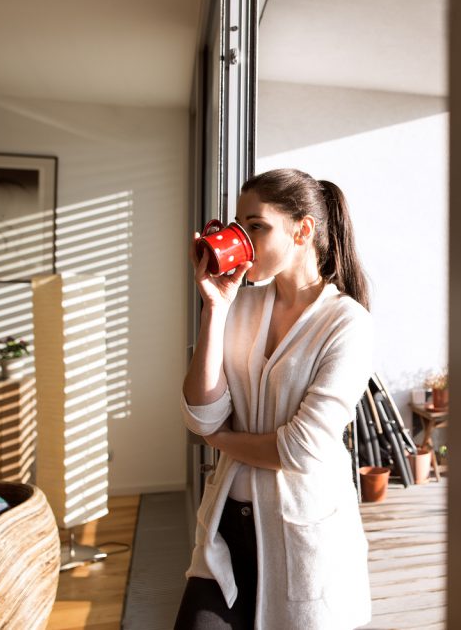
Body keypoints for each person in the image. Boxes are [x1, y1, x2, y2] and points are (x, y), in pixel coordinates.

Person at [175, 168, 374, 629]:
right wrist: (215, 309)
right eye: (238, 227)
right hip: (224, 529)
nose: (242, 238)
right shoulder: (239, 305)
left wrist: (222, 441)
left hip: (302, 540)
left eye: (256, 226)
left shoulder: (347, 323)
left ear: (302, 230)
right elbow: (201, 417)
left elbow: (301, 449)